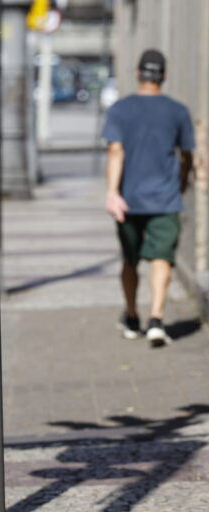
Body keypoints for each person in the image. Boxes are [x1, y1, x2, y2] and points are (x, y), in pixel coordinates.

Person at [103, 49, 194, 347]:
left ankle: (132, 316)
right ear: (165, 76)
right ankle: (156, 320)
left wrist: (113, 192)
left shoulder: (119, 109)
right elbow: (186, 157)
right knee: (161, 258)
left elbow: (116, 151)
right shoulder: (178, 111)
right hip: (166, 198)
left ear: (138, 74)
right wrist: (180, 184)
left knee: (130, 260)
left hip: (129, 199)